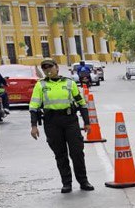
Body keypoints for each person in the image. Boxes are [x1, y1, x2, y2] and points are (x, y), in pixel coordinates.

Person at [29, 58, 93, 193]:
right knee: (60, 154)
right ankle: (66, 183)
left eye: (50, 67)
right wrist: (34, 126)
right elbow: (34, 107)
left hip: (70, 121)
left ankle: (83, 181)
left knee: (77, 153)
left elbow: (81, 103)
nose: (48, 70)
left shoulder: (69, 83)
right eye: (45, 68)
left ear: (57, 67)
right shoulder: (41, 85)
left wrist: (87, 122)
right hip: (52, 123)